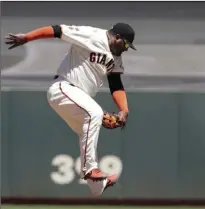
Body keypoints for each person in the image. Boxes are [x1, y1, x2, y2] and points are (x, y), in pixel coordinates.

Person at [4, 22, 137, 196]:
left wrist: (124, 110)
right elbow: (57, 30)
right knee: (95, 114)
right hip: (63, 88)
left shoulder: (116, 56)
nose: (126, 49)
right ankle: (91, 171)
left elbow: (116, 84)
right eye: (126, 44)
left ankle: (96, 185)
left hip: (78, 98)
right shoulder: (92, 35)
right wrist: (28, 37)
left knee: (86, 130)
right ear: (116, 37)